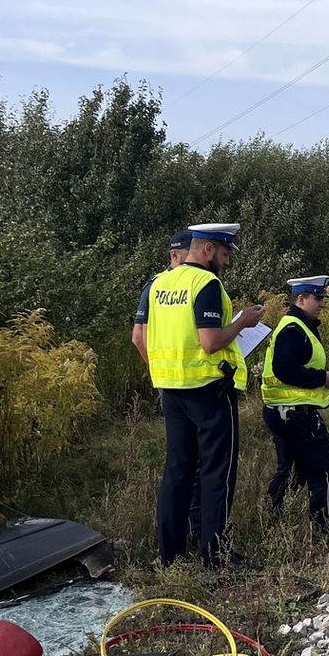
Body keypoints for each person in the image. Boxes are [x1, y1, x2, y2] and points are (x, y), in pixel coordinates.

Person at [145, 223, 264, 567]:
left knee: (177, 471)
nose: (226, 264)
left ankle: (170, 556)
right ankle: (217, 556)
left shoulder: (160, 283)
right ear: (209, 250)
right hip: (208, 391)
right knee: (216, 472)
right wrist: (242, 322)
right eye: (225, 255)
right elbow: (210, 342)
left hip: (171, 389)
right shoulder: (206, 284)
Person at [132, 229, 201, 545]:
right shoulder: (161, 285)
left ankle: (184, 534)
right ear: (176, 255)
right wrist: (163, 371)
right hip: (184, 386)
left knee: (184, 461)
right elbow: (138, 338)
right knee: (190, 462)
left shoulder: (158, 286)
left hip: (174, 383)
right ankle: (193, 530)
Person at [260, 275, 329, 532]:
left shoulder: (296, 325)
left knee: (290, 470)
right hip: (297, 414)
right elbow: (284, 369)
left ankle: (269, 519)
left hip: (283, 411)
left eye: (323, 298)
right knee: (324, 471)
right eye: (318, 298)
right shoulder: (294, 330)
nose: (322, 304)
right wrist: (322, 377)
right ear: (301, 299)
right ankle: (322, 529)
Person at [131, 230, 192, 363]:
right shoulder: (155, 285)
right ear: (175, 256)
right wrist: (156, 369)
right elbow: (138, 336)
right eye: (191, 255)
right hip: (168, 378)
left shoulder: (197, 283)